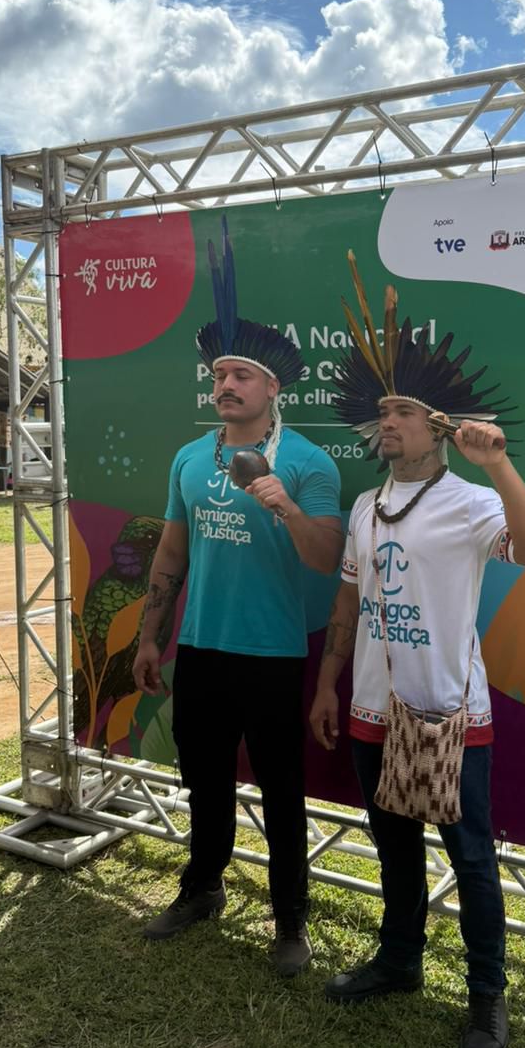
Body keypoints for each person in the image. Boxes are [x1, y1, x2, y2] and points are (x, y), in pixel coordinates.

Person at [309, 262, 525, 1048]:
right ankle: (399, 960)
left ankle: (487, 997)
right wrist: (329, 684)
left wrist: (500, 466)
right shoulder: (363, 504)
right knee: (392, 845)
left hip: (449, 710)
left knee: (472, 857)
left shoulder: (473, 502)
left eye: (404, 412)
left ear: (439, 427)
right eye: (383, 412)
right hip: (371, 709)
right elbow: (349, 600)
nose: (387, 422)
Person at [133, 217, 342, 977]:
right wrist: (151, 635)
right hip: (201, 648)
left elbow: (329, 560)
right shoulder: (190, 458)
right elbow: (172, 550)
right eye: (219, 375)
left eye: (241, 376)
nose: (225, 385)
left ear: (272, 387)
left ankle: (290, 921)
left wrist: (283, 503)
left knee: (283, 792)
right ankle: (202, 889)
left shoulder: (310, 463)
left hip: (274, 653)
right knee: (205, 781)